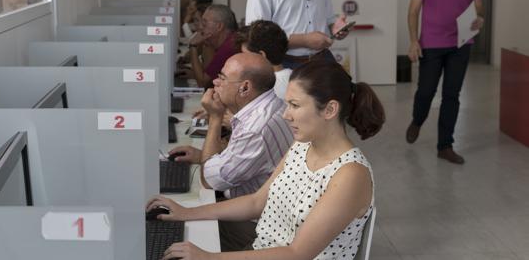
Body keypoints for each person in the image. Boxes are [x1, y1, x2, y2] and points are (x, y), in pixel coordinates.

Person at [148, 59, 385, 259]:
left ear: (330, 110)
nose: (285, 114)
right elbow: (257, 202)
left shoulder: (351, 174)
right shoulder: (302, 146)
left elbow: (296, 254)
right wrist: (186, 212)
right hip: (263, 248)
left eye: (294, 105)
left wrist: (209, 257)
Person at [169, 52, 293, 251]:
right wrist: (202, 156)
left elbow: (209, 181)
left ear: (244, 88)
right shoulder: (272, 105)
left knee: (178, 230)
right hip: (259, 210)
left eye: (222, 77)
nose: (215, 82)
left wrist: (215, 118)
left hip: (255, 225)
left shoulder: (255, 128)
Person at [405, 0, 484, 165]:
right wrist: (413, 40)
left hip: (460, 44)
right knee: (426, 92)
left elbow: (478, 6)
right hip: (432, 43)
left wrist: (479, 17)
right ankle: (418, 120)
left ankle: (445, 146)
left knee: (452, 95)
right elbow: (413, 11)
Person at [236, 20, 291, 99]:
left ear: (261, 55)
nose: (242, 60)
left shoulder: (264, 87)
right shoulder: (294, 76)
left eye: (246, 55)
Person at [187, 4, 238, 88]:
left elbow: (203, 83)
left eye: (204, 23)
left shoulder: (228, 47)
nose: (200, 27)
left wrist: (193, 46)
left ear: (219, 26)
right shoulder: (228, 41)